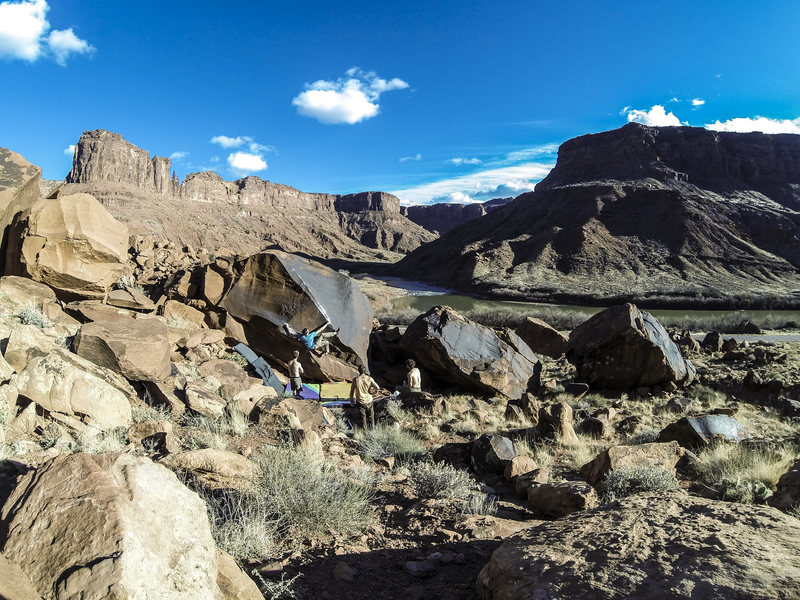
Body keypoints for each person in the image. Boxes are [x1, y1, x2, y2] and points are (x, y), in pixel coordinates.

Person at [350, 365, 379, 429]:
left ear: (358, 371)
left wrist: (351, 400)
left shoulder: (356, 380)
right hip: (369, 400)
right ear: (365, 371)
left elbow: (352, 391)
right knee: (371, 416)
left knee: (363, 417)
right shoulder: (369, 378)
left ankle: (364, 431)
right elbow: (377, 387)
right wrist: (374, 393)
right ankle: (373, 430)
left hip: (360, 401)